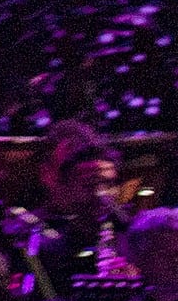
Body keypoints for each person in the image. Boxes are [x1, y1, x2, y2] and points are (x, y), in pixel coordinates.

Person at [29, 122, 130, 286]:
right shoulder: (40, 236)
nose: (101, 194)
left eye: (109, 184)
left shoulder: (128, 229)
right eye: (90, 185)